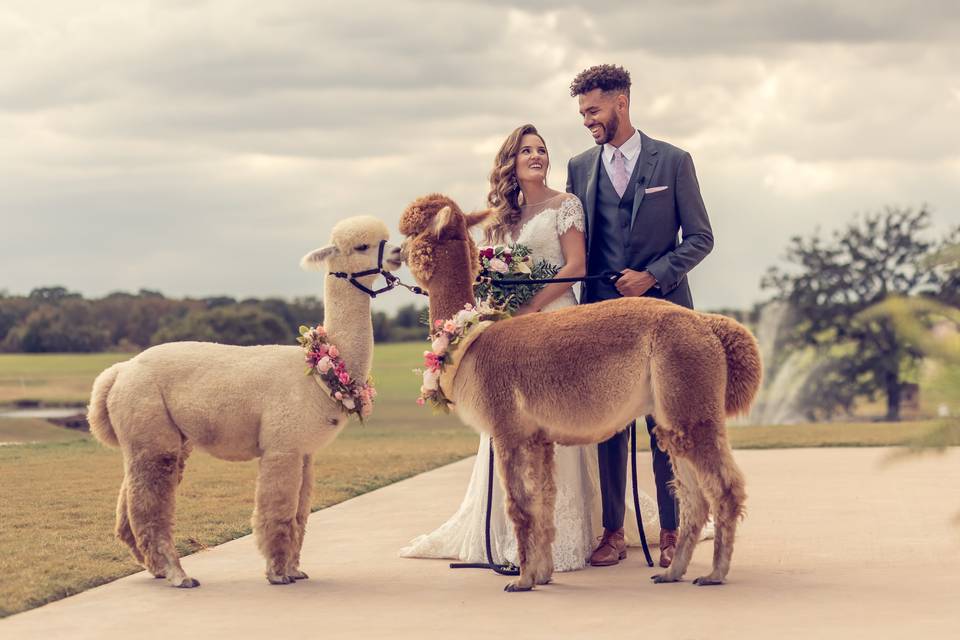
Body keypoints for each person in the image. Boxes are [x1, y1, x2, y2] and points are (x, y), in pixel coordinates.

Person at [400, 124, 660, 571]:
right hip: (508, 332)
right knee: (506, 427)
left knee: (559, 424)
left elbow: (576, 265)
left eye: (541, 149)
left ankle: (574, 532)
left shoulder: (566, 206)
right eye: (526, 150)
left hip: (558, 319)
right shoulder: (499, 220)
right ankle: (506, 532)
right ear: (511, 162)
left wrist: (532, 307)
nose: (537, 156)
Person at [566, 64, 715, 568]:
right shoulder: (580, 166)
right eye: (582, 112)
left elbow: (700, 238)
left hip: (666, 319)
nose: (587, 120)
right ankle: (613, 530)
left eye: (593, 110)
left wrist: (652, 276)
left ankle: (672, 530)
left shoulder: (673, 162)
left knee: (665, 427)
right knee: (608, 427)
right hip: (602, 324)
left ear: (621, 103)